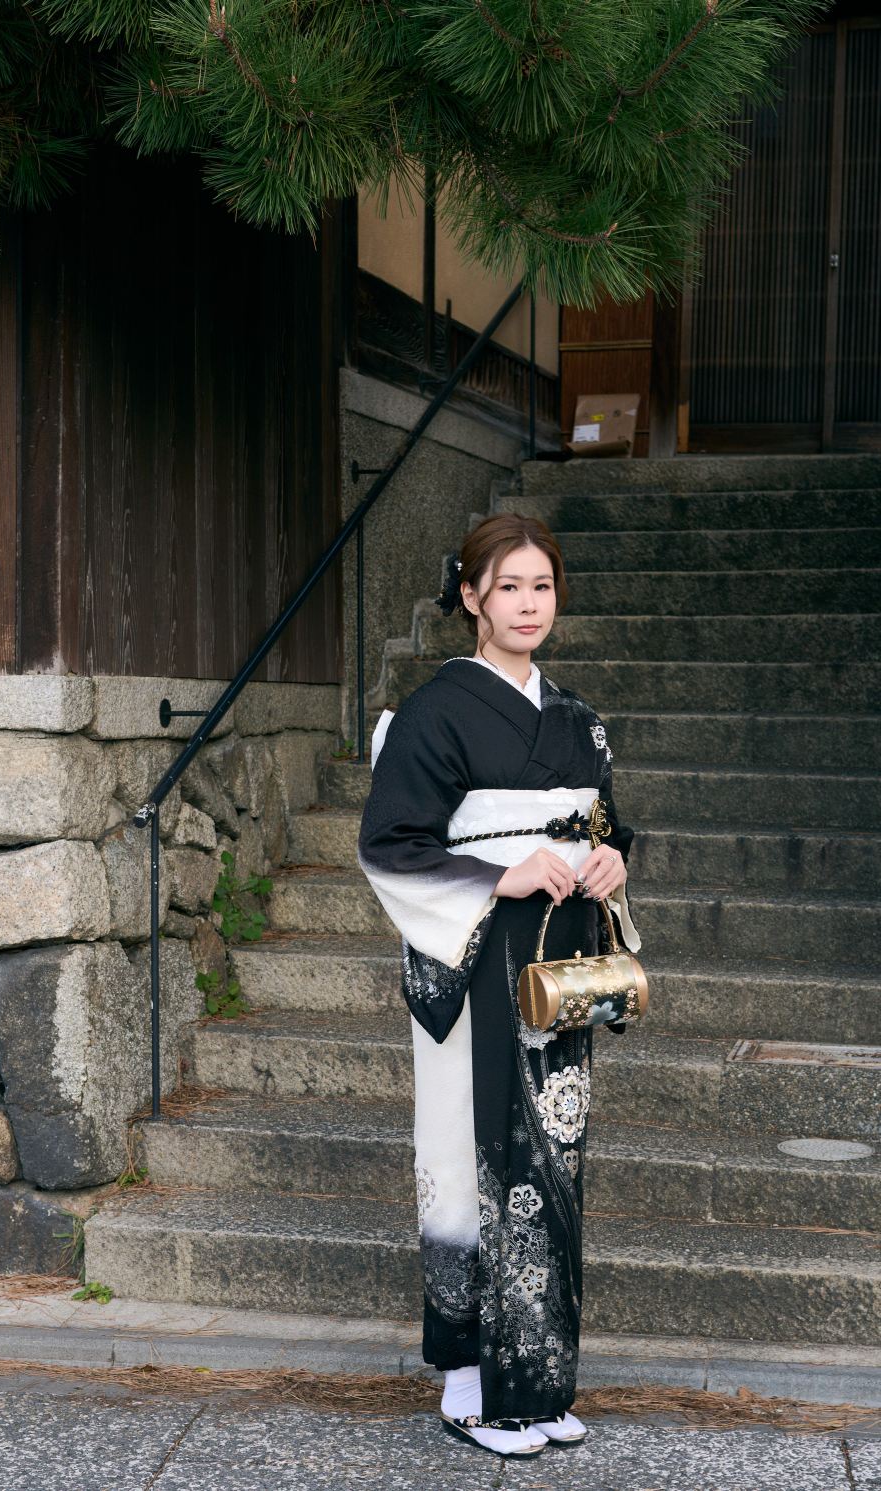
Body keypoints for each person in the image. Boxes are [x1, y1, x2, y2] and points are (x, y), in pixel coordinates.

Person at [357, 512, 642, 1460]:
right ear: (472, 596)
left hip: (558, 959)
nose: (528, 603)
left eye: (542, 586)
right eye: (509, 586)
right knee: (469, 1155)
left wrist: (610, 862)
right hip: (476, 955)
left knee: (552, 1158)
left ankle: (540, 1382)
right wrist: (498, 873)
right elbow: (391, 844)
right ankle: (468, 1381)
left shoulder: (578, 720)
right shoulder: (434, 713)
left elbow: (605, 826)